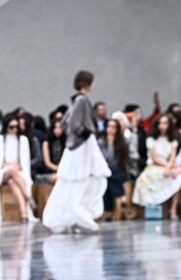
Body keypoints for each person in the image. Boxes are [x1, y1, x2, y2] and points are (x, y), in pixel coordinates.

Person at [42, 70, 111, 233]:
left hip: (80, 145)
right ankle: (81, 217)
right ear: (87, 83)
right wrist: (85, 133)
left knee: (83, 180)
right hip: (82, 145)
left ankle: (77, 216)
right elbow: (71, 123)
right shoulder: (82, 100)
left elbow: (66, 122)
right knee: (86, 178)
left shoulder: (77, 100)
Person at [132, 113, 181, 219]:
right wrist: (168, 168)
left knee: (180, 173)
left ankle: (174, 209)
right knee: (173, 174)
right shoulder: (151, 139)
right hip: (154, 167)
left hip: (168, 166)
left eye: (165, 123)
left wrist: (170, 168)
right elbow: (155, 158)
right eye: (160, 123)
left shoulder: (173, 140)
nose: (162, 126)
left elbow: (172, 157)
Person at [0, 114, 36, 223]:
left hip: (18, 172)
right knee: (11, 172)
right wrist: (8, 166)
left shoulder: (23, 140)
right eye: (11, 127)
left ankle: (24, 214)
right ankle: (28, 197)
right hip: (2, 171)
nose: (14, 130)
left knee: (12, 181)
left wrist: (16, 166)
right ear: (5, 127)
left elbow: (25, 161)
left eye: (16, 127)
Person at [99, 118, 130, 219]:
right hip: (105, 170)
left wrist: (112, 143)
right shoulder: (101, 142)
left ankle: (108, 211)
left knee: (111, 173)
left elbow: (118, 161)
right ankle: (121, 196)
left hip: (119, 171)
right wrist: (109, 142)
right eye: (109, 126)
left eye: (114, 127)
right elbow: (104, 158)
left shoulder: (122, 142)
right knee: (108, 175)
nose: (111, 129)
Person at [40, 119, 66, 183]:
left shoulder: (67, 142)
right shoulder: (46, 142)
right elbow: (47, 163)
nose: (58, 130)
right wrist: (59, 169)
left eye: (60, 128)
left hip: (65, 170)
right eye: (55, 128)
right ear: (52, 129)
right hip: (50, 171)